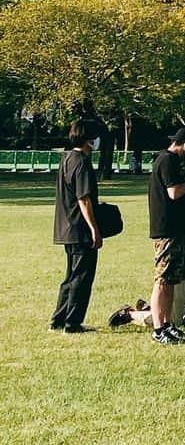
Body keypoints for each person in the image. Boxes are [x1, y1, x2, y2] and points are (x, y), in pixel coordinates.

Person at [109, 198, 185, 330]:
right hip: (181, 263)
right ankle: (130, 315)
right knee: (175, 320)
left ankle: (149, 307)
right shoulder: (184, 207)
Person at [148, 127, 185, 345]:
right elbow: (174, 192)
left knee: (172, 280)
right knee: (163, 280)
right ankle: (158, 328)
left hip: (177, 229)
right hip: (167, 230)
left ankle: (167, 324)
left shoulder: (173, 162)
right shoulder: (166, 161)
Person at [50, 120, 103, 333]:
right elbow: (84, 198)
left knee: (70, 277)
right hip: (80, 229)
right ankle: (72, 323)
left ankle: (58, 319)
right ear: (88, 139)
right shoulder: (82, 162)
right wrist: (94, 229)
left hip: (66, 227)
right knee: (81, 277)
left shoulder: (67, 159)